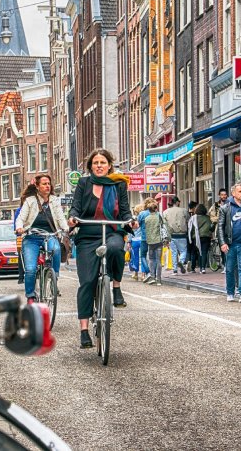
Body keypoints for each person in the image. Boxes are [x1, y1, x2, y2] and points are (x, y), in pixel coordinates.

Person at [68, 149, 134, 349]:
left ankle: (116, 287)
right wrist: (72, 218)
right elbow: (76, 207)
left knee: (116, 249)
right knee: (87, 281)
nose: (99, 165)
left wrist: (130, 221)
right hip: (88, 234)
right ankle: (84, 331)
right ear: (90, 166)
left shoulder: (118, 184)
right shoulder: (83, 183)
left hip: (112, 229)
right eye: (95, 162)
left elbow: (124, 210)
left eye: (102, 162)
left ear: (109, 165)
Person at [15, 174, 68, 303]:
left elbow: (60, 217)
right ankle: (30, 296)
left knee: (55, 249)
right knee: (31, 269)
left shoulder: (55, 200)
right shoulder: (30, 201)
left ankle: (54, 277)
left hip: (49, 235)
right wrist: (20, 227)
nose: (47, 186)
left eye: (49, 183)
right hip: (31, 237)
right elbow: (21, 218)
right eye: (44, 184)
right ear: (37, 187)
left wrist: (66, 228)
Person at [163, 196, 189, 274]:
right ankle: (181, 261)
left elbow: (164, 224)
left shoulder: (166, 212)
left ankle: (174, 270)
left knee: (173, 252)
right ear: (177, 202)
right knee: (183, 250)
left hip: (172, 235)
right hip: (182, 234)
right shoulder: (184, 211)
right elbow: (189, 220)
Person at [142, 200, 165, 285]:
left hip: (150, 241)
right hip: (158, 240)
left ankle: (152, 276)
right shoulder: (159, 216)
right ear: (155, 209)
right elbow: (164, 225)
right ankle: (159, 280)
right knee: (159, 260)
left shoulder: (146, 218)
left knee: (151, 259)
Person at [210, 188, 229, 272]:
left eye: (225, 195)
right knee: (223, 247)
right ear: (219, 195)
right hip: (220, 228)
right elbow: (211, 216)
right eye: (222, 195)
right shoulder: (215, 205)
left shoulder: (230, 204)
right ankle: (224, 265)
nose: (223, 196)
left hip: (228, 228)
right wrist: (220, 218)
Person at [190, 204, 212, 274]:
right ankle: (203, 268)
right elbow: (210, 228)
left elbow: (191, 228)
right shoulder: (207, 218)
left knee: (195, 252)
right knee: (204, 252)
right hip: (206, 237)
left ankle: (193, 268)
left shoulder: (193, 218)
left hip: (195, 237)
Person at [129, 204, 147, 280]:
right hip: (142, 239)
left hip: (134, 240)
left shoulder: (132, 219)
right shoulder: (144, 218)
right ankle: (143, 275)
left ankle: (136, 274)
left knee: (135, 257)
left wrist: (129, 241)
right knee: (143, 257)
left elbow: (129, 230)